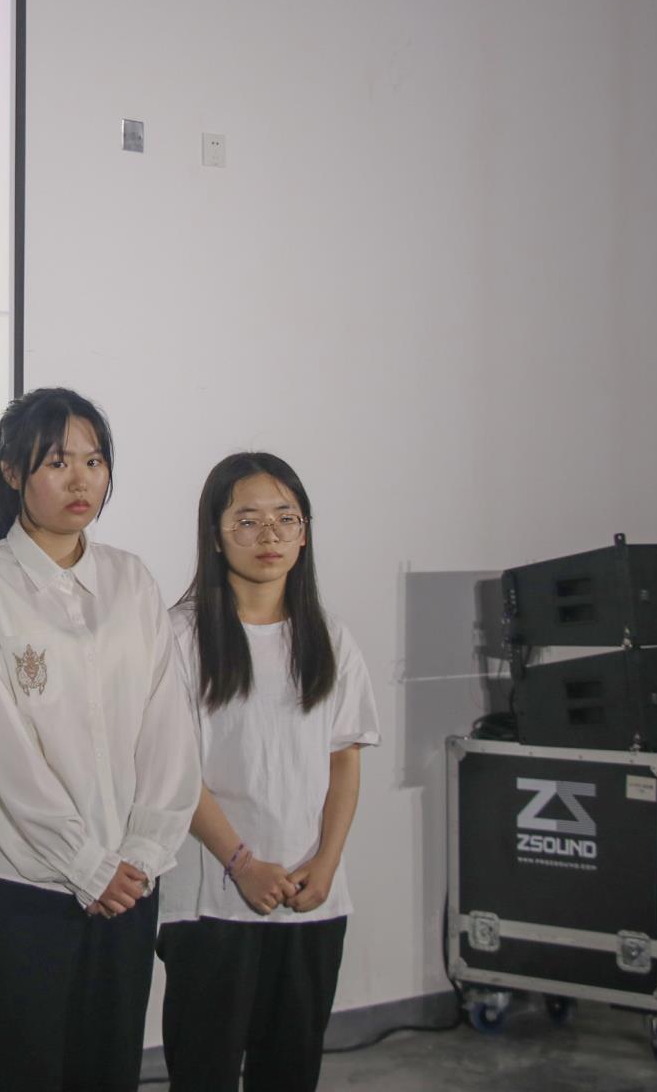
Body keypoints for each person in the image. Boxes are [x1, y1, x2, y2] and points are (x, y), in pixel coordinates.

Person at [0, 387, 200, 1092]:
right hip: (22, 887)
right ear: (12, 472)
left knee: (107, 1068)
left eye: (94, 461)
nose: (81, 479)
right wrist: (83, 863)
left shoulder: (131, 580)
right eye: (57, 462)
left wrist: (143, 852)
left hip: (127, 886)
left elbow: (168, 729)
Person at [157, 452, 381, 1092]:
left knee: (291, 1072)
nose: (270, 535)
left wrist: (327, 862)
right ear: (215, 534)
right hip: (211, 901)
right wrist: (242, 863)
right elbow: (175, 770)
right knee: (203, 1073)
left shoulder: (328, 635)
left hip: (311, 898)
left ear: (304, 533)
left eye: (286, 518)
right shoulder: (180, 636)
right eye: (247, 520)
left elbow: (343, 757)